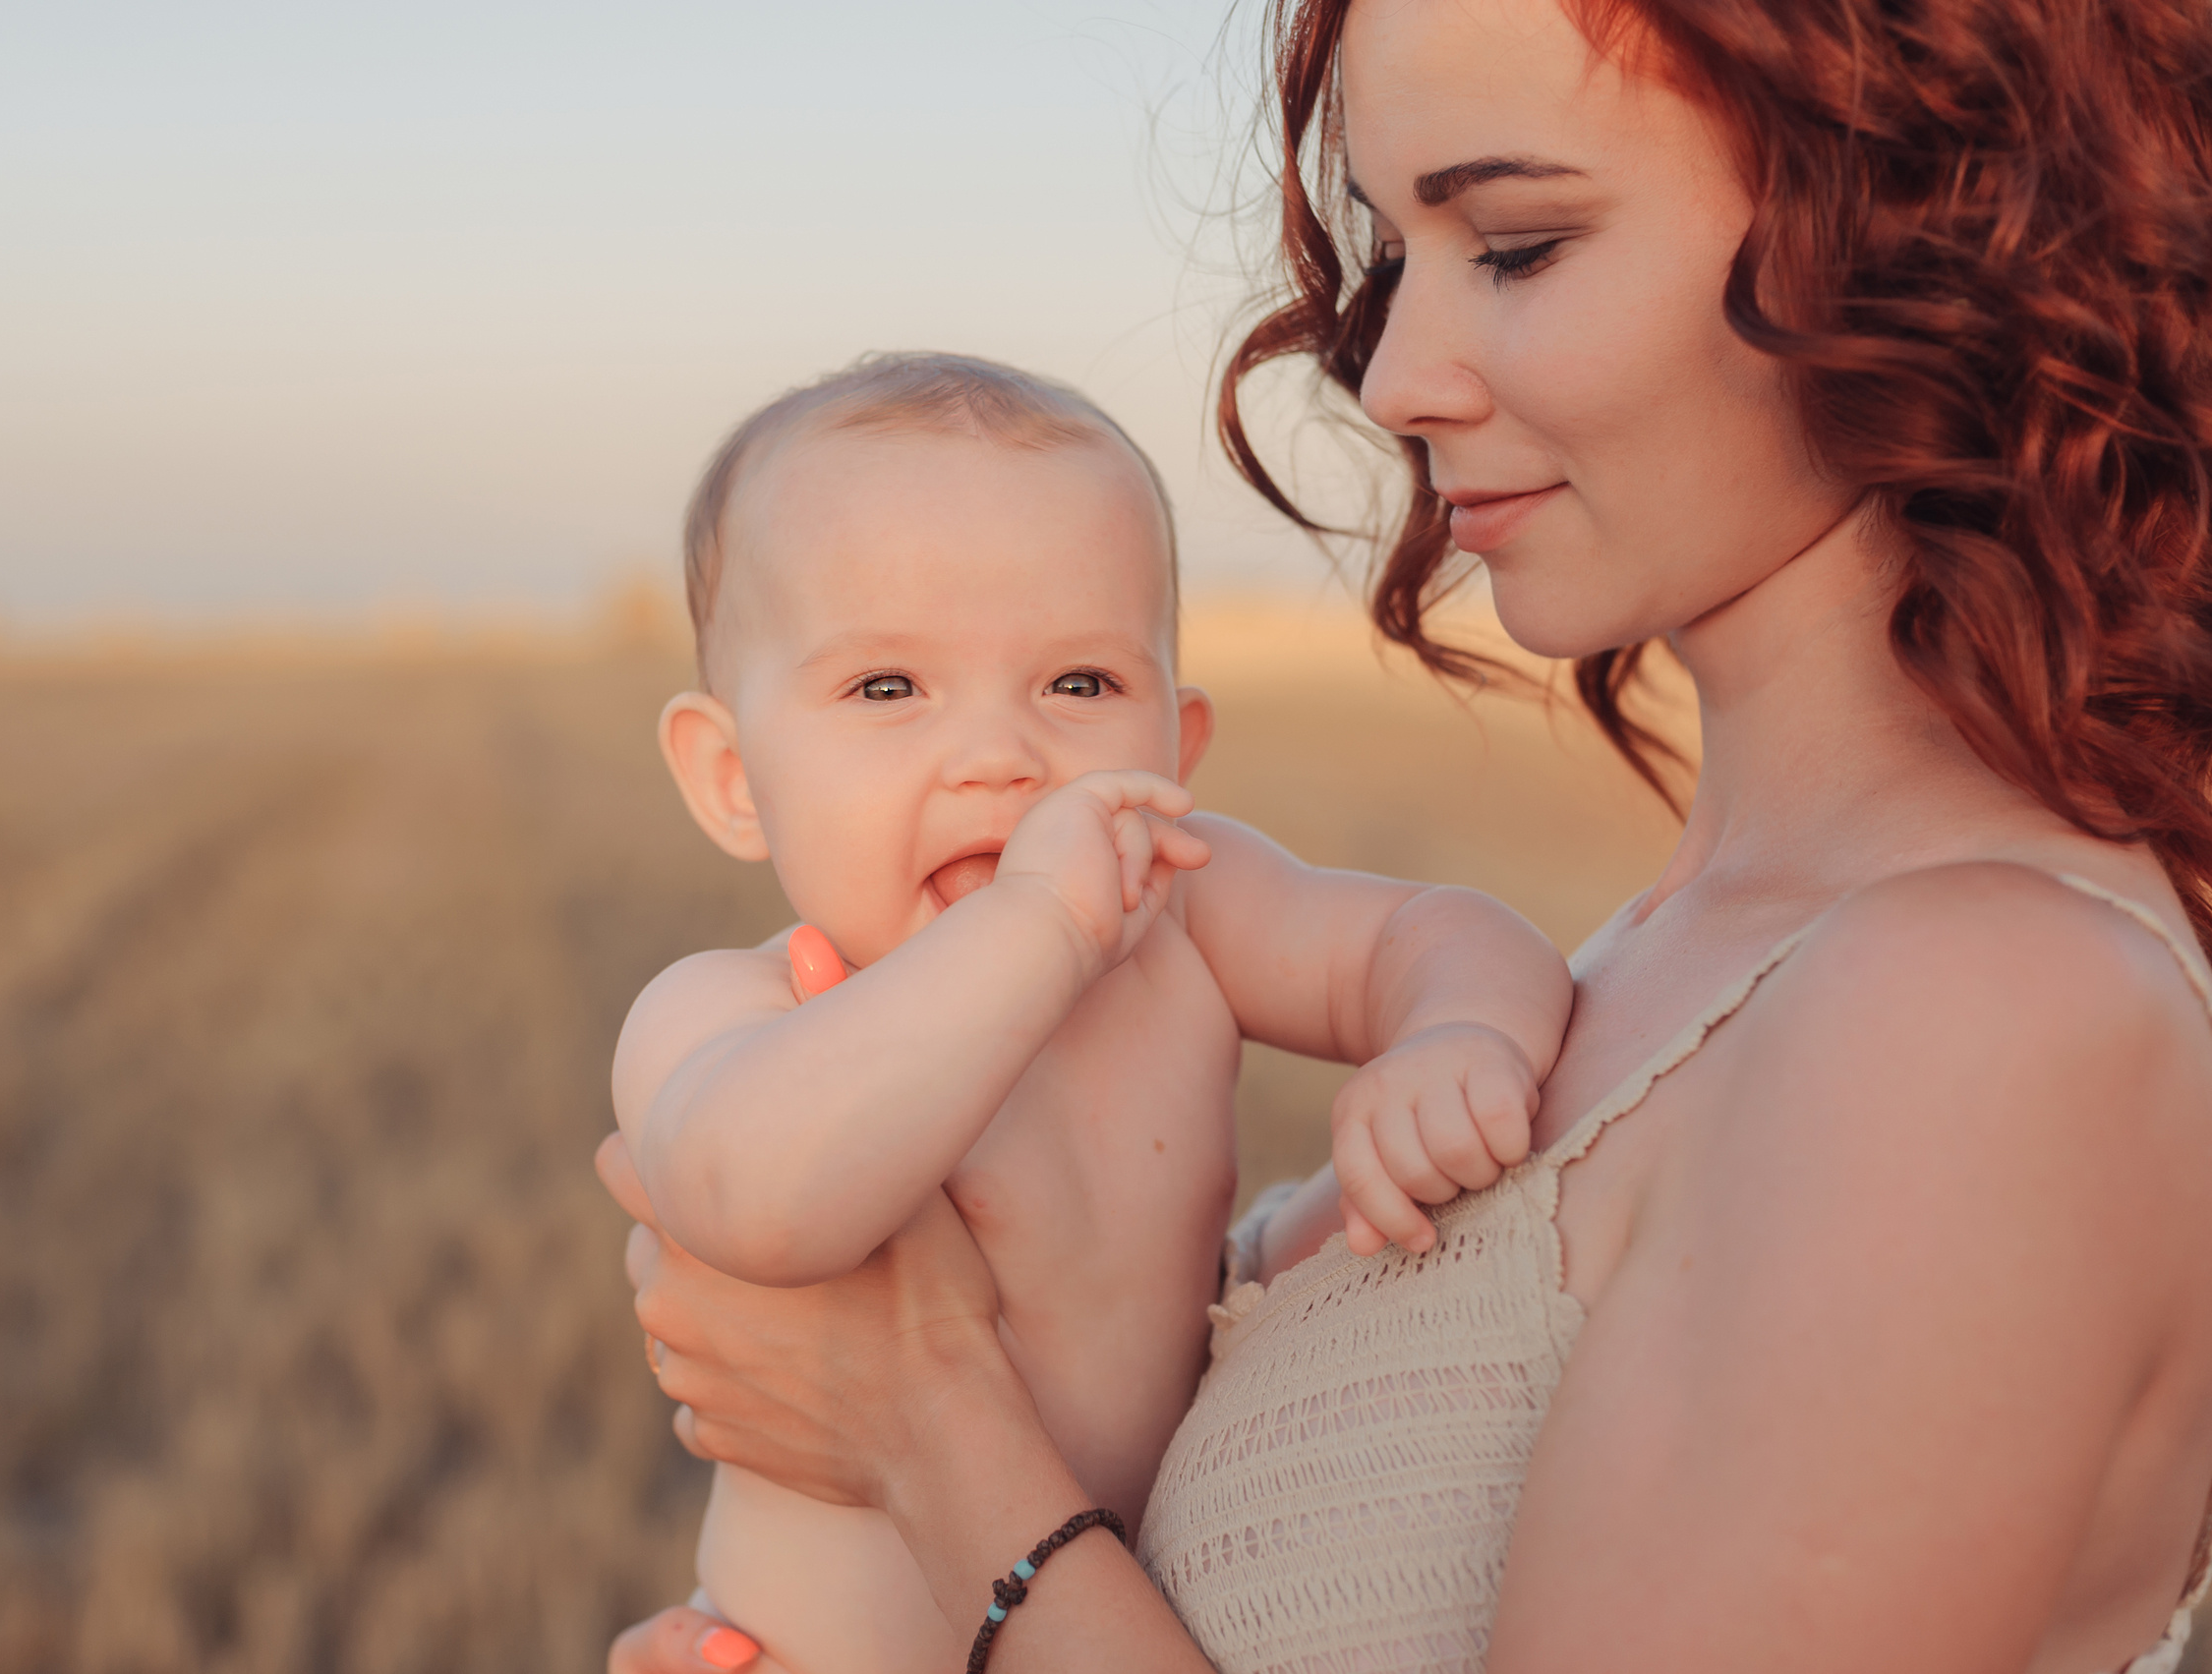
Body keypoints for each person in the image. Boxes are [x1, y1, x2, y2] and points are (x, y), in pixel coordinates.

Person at [602, 0, 2212, 1667]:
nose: (1388, 376)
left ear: (1916, 220)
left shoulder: (1980, 1018)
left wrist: (922, 1427)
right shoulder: (1680, 953)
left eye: (1516, 245)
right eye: (1390, 251)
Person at [618, 350, 1573, 1674]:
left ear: (1176, 751)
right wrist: (1038, 931)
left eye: (1079, 685)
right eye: (888, 689)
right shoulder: (734, 1010)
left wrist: (1461, 1035)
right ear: (732, 777)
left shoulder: (1182, 916)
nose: (1001, 757)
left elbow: (1435, 932)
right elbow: (760, 1206)